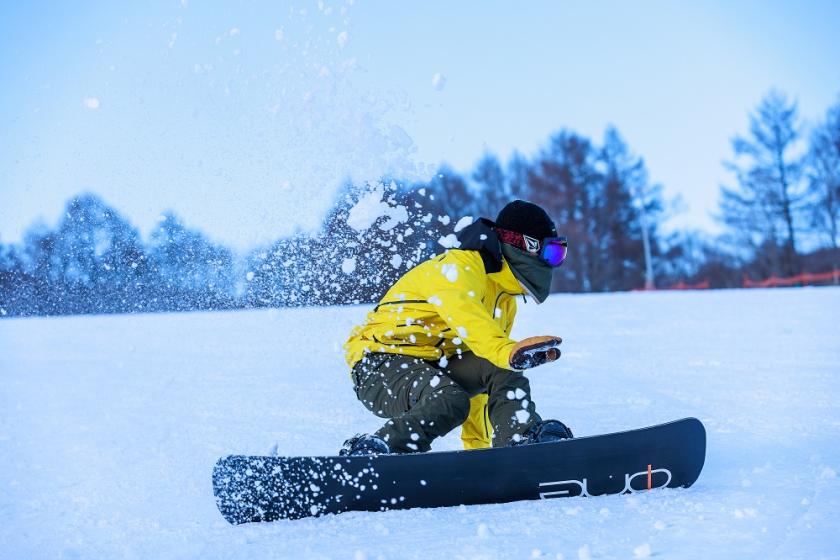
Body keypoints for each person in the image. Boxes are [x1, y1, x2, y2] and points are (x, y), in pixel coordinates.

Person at [341, 200, 573, 455]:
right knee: (451, 398)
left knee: (500, 370)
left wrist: (477, 450)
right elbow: (468, 319)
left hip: (435, 369)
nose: (553, 264)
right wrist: (507, 352)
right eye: (552, 254)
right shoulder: (459, 268)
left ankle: (517, 441)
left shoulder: (505, 302)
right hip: (380, 367)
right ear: (523, 245)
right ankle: (381, 451)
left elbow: (484, 374)